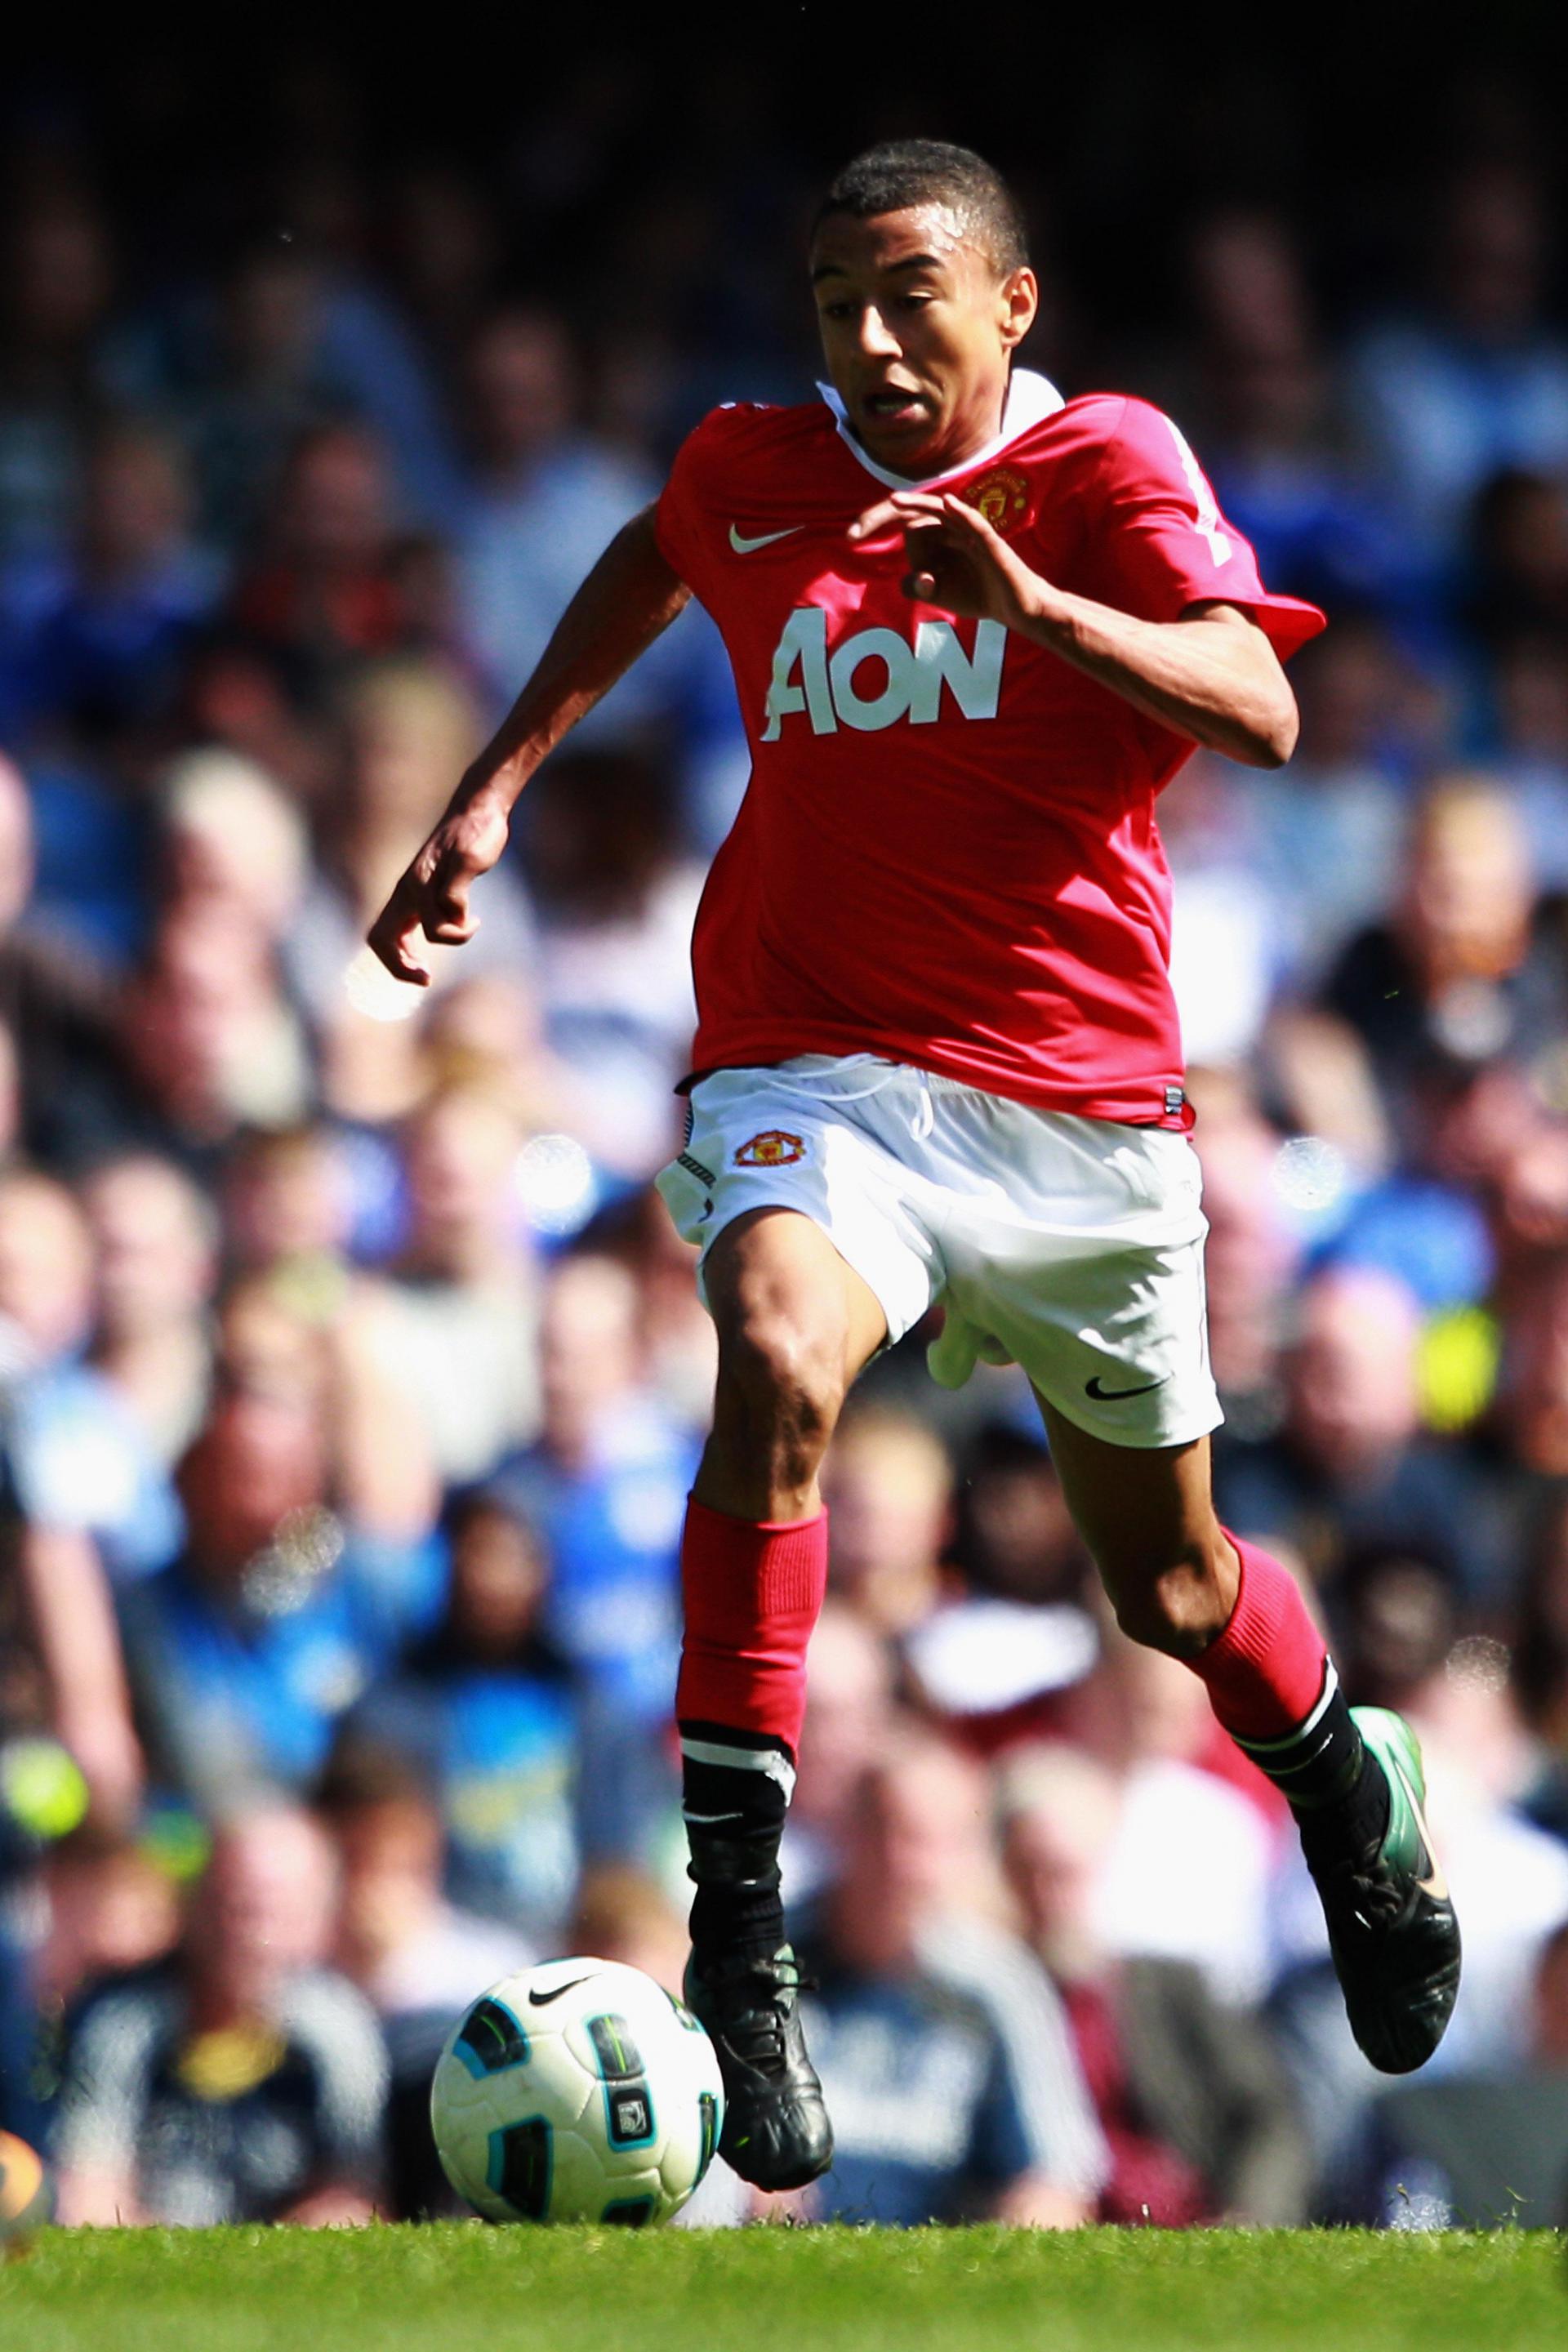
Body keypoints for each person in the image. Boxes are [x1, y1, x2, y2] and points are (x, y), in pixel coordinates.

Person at [368, 138, 1461, 2194]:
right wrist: (496, 785)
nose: (867, 338)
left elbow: (1261, 708)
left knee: (1173, 1586)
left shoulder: (1107, 463)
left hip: (1077, 1111)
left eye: (908, 294)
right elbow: (656, 550)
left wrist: (1034, 605)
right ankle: (742, 1933)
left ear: (1009, 304)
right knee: (777, 1347)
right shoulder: (755, 468)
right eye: (833, 300)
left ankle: (1338, 1776)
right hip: (821, 1065)